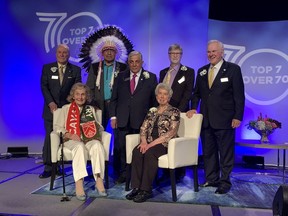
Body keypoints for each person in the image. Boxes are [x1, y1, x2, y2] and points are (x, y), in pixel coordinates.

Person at [187, 40, 245, 194]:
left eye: (214, 51)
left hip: (226, 120)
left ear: (222, 52)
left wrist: (238, 116)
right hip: (206, 121)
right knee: (208, 151)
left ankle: (225, 181)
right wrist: (193, 108)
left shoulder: (233, 69)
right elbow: (196, 93)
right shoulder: (202, 71)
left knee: (225, 152)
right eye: (209, 52)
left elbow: (239, 96)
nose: (211, 54)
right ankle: (212, 179)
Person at [125, 83, 180, 203]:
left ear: (169, 97)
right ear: (156, 96)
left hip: (164, 143)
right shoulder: (152, 111)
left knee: (150, 153)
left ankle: (146, 190)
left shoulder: (174, 111)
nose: (162, 96)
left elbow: (170, 133)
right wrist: (143, 141)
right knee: (137, 151)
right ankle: (136, 187)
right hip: (148, 142)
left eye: (165, 94)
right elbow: (143, 128)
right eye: (160, 94)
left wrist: (150, 145)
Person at [109, 50, 158, 184]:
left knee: (139, 149)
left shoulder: (151, 78)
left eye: (137, 61)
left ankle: (138, 175)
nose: (134, 64)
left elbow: (154, 102)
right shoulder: (120, 76)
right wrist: (113, 117)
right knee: (122, 148)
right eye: (131, 61)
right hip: (122, 120)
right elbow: (114, 98)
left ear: (142, 62)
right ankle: (124, 174)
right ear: (128, 62)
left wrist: (151, 121)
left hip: (141, 122)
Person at [54, 83, 107, 201]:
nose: (80, 97)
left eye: (83, 94)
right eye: (77, 94)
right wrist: (70, 134)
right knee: (79, 147)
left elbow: (99, 126)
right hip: (71, 139)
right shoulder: (65, 109)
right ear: (73, 95)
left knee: (97, 145)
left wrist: (96, 129)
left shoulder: (91, 109)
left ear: (86, 96)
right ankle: (79, 183)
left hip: (88, 139)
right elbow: (57, 127)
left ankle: (99, 180)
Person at [40, 44, 82, 178]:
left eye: (65, 53)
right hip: (50, 109)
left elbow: (77, 88)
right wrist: (50, 102)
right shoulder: (47, 68)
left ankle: (59, 165)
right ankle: (48, 167)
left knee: (64, 136)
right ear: (56, 54)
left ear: (68, 55)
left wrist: (69, 106)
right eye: (60, 52)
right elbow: (44, 87)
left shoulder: (75, 70)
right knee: (50, 137)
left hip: (67, 111)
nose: (62, 54)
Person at [159, 43, 195, 180]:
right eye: (172, 53)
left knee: (176, 141)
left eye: (177, 53)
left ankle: (179, 173)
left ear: (181, 55)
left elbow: (188, 93)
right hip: (163, 113)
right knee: (164, 140)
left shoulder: (188, 71)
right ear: (168, 55)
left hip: (179, 113)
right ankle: (165, 172)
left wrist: (177, 112)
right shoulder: (163, 72)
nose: (175, 56)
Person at [86, 41, 127, 129]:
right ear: (102, 53)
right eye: (106, 50)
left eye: (112, 50)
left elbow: (125, 89)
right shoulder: (95, 67)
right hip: (98, 105)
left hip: (116, 106)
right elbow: (89, 88)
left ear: (116, 53)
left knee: (117, 132)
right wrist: (92, 103)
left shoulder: (123, 68)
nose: (109, 53)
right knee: (98, 131)